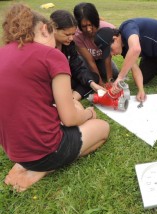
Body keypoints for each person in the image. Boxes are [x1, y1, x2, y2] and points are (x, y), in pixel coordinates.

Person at [0, 4, 110, 192]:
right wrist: (88, 114)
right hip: (45, 149)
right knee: (103, 129)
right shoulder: (51, 55)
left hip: (14, 150)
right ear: (45, 29)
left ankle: (28, 164)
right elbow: (69, 119)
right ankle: (44, 168)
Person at [93, 18, 157, 102]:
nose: (112, 54)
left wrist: (120, 77)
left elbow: (136, 49)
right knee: (143, 79)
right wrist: (141, 90)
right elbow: (134, 68)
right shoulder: (123, 48)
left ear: (115, 39)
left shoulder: (128, 27)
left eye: (111, 50)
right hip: (151, 55)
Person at [50, 10, 104, 100]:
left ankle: (72, 99)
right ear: (53, 29)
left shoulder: (69, 44)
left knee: (93, 78)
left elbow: (77, 67)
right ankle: (66, 100)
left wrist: (92, 84)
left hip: (66, 80)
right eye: (67, 34)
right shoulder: (45, 46)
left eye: (73, 34)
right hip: (52, 82)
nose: (71, 38)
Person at [73, 2, 118, 86]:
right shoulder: (76, 35)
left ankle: (99, 70)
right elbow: (91, 61)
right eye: (84, 26)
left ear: (96, 20)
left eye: (91, 25)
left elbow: (107, 57)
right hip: (85, 59)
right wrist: (100, 84)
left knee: (115, 73)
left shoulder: (108, 29)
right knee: (87, 77)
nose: (89, 29)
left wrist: (110, 80)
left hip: (102, 58)